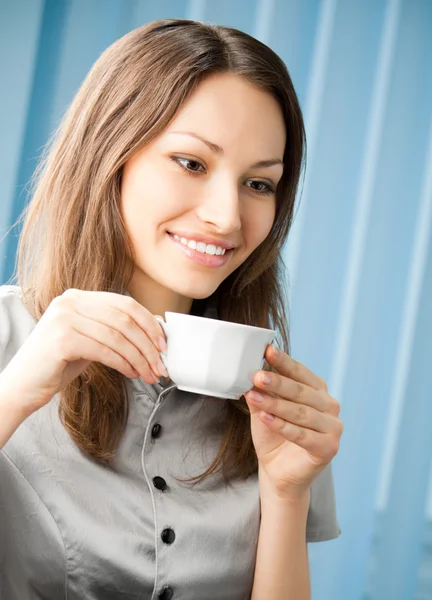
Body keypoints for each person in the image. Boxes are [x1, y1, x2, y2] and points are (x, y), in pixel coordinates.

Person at [0, 18, 343, 600]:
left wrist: (287, 493)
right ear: (110, 153)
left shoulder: (272, 404)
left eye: (260, 185)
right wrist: (17, 395)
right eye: (192, 163)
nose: (227, 218)